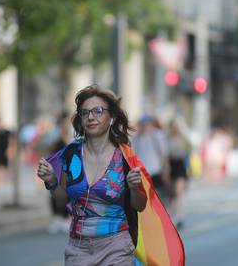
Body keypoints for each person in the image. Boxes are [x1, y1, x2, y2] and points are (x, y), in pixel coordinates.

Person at [36, 85, 147, 265]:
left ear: (111, 117)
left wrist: (135, 187)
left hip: (116, 246)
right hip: (79, 248)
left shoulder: (125, 157)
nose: (91, 117)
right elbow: (61, 200)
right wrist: (51, 181)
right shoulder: (71, 154)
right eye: (85, 112)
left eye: (98, 111)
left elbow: (140, 205)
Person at [46, 111, 72, 234]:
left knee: (68, 192)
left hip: (69, 168)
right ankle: (57, 218)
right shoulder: (54, 133)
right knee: (54, 191)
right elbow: (49, 149)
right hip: (56, 167)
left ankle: (68, 217)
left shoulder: (72, 133)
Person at [132, 114, 170, 198]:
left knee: (156, 195)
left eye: (146, 124)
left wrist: (165, 170)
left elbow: (164, 154)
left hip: (155, 170)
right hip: (141, 171)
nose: (144, 126)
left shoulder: (157, 135)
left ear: (150, 124)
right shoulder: (136, 138)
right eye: (142, 124)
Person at [167, 119, 189, 229]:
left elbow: (188, 149)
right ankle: (173, 215)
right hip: (171, 165)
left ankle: (179, 215)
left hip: (180, 165)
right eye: (173, 126)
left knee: (179, 192)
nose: (174, 128)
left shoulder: (182, 139)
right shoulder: (167, 138)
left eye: (176, 126)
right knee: (171, 194)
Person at [0, 118, 14, 184]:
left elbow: (11, 141)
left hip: (6, 150)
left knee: (7, 166)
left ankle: (8, 179)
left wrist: (10, 149)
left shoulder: (8, 132)